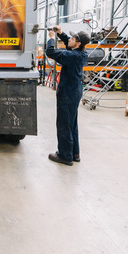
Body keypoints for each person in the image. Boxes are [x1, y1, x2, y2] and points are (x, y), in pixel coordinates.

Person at [44, 25, 90, 166]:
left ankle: (65, 155)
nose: (69, 39)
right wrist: (60, 33)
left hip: (68, 93)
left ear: (78, 43)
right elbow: (69, 45)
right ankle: (74, 153)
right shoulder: (81, 53)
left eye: (72, 38)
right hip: (74, 91)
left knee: (64, 124)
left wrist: (52, 39)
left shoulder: (71, 56)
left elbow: (50, 52)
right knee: (72, 124)